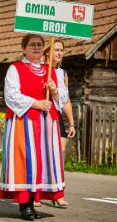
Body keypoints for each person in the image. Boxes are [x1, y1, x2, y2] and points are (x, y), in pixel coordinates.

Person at [0, 34, 68, 220]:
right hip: (24, 122)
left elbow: (62, 100)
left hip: (46, 124)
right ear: (24, 48)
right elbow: (11, 96)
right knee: (25, 161)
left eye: (40, 45)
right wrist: (37, 103)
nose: (36, 48)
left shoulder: (50, 69)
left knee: (42, 162)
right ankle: (25, 204)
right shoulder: (15, 68)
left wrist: (54, 91)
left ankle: (35, 200)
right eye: (32, 45)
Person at [33, 39, 76, 209]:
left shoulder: (62, 73)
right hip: (40, 115)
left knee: (58, 155)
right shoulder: (39, 69)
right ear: (47, 52)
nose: (59, 53)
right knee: (40, 155)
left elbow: (65, 100)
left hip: (55, 116)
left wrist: (71, 123)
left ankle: (57, 194)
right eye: (55, 50)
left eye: (61, 50)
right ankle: (36, 194)